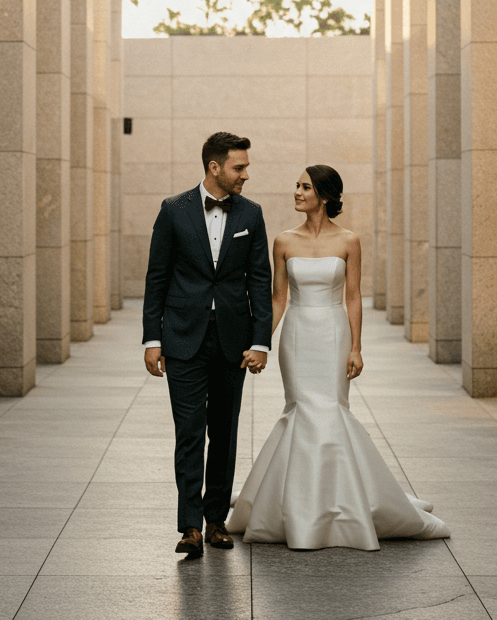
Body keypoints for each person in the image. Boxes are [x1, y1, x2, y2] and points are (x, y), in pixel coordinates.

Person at [227, 164, 450, 550]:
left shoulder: (349, 241)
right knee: (300, 410)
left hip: (333, 334)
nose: (296, 192)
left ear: (325, 196)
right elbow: (277, 299)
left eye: (305, 187)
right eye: (296, 185)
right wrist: (260, 342)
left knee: (331, 410)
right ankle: (301, 505)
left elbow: (352, 297)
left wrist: (357, 347)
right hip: (297, 336)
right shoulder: (283, 241)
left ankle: (339, 504)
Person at [142, 131, 272, 558]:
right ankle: (189, 527)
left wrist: (260, 343)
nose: (245, 175)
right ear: (214, 167)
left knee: (225, 430)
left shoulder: (251, 214)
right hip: (183, 338)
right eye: (239, 167)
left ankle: (216, 521)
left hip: (233, 342)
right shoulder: (173, 210)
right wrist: (152, 338)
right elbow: (157, 277)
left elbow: (260, 280)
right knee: (190, 432)